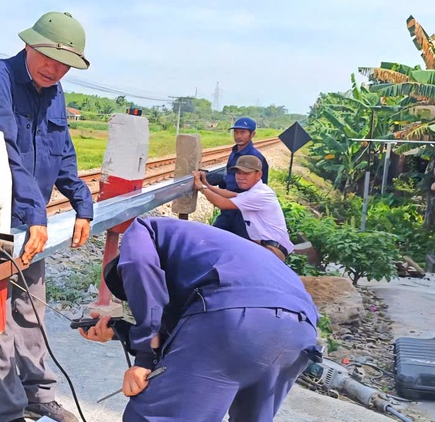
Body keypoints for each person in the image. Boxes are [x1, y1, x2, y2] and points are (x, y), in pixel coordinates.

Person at [0, 12, 93, 422]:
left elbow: (63, 153)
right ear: (29, 45)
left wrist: (82, 203)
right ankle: (8, 410)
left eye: (64, 65)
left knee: (31, 309)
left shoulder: (54, 92)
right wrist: (35, 212)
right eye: (48, 58)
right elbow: (5, 152)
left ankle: (39, 393)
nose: (54, 70)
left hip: (29, 221)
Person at [80, 217, 319, 422]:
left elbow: (140, 272)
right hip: (301, 331)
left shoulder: (143, 229)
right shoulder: (205, 253)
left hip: (233, 315)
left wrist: (144, 357)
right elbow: (184, 340)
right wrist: (121, 332)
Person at [194, 155, 294, 260]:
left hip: (271, 250)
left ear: (258, 174)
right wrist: (207, 185)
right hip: (267, 247)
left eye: (246, 173)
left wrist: (201, 187)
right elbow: (232, 195)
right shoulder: (259, 190)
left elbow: (222, 203)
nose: (240, 177)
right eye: (238, 173)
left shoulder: (259, 195)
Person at [207, 117, 269, 239]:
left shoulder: (254, 157)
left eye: (243, 132)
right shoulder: (234, 152)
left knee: (241, 242)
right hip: (230, 208)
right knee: (214, 238)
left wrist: (219, 179)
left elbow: (244, 185)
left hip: (245, 212)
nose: (238, 136)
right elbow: (229, 178)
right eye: (236, 132)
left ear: (252, 134)